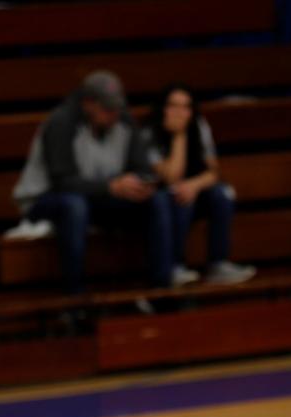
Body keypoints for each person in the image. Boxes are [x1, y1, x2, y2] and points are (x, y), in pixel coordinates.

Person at [12, 70, 175, 295]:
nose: (114, 114)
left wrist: (141, 184)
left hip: (98, 199)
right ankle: (75, 299)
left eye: (118, 107)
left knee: (157, 200)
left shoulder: (123, 121)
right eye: (108, 109)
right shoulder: (61, 123)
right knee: (74, 205)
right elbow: (62, 182)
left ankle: (162, 290)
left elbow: (142, 167)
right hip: (44, 201)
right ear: (88, 103)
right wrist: (111, 187)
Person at [142, 83, 256, 287]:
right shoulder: (149, 132)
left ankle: (218, 263)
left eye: (186, 107)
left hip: (192, 190)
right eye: (173, 106)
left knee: (223, 193)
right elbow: (170, 177)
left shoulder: (199, 124)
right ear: (162, 108)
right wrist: (179, 135)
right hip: (163, 200)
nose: (180, 113)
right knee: (179, 196)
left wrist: (194, 185)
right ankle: (175, 265)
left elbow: (214, 171)